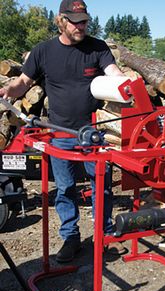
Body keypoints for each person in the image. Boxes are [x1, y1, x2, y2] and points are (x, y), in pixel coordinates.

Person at [0, 0, 126, 262]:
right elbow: (23, 82)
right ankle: (71, 238)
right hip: (59, 132)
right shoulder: (43, 51)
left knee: (101, 186)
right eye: (74, 21)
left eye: (84, 21)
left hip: (94, 133)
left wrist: (125, 84)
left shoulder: (97, 47)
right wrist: (7, 91)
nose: (81, 26)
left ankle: (106, 234)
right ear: (60, 21)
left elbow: (113, 72)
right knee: (66, 188)